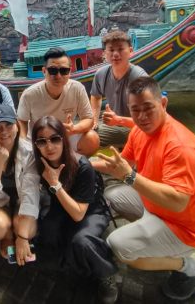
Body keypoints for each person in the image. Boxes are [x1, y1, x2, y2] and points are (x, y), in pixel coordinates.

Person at [96, 77, 195, 301]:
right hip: (158, 208)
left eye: (148, 108)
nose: (141, 116)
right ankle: (153, 238)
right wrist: (81, 163)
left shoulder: (179, 145)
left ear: (163, 103)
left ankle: (188, 268)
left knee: (118, 245)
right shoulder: (139, 131)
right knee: (112, 195)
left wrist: (130, 177)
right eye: (135, 110)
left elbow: (178, 201)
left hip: (188, 228)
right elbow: (121, 163)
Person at [32, 116, 117, 303]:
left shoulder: (83, 166)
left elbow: (78, 214)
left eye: (55, 139)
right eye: (42, 141)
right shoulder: (41, 164)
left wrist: (55, 184)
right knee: (47, 231)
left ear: (63, 139)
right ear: (36, 145)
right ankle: (68, 260)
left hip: (90, 210)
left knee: (81, 241)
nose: (49, 146)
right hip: (61, 206)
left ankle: (106, 273)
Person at [0, 105, 39, 264]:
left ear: (17, 125)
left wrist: (22, 237)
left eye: (8, 124)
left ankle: (18, 234)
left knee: (28, 231)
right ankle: (8, 235)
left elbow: (31, 192)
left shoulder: (29, 151)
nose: (3, 131)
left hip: (21, 202)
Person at [17, 48, 99, 157]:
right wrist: (23, 143)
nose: (58, 76)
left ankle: (72, 163)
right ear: (44, 71)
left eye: (64, 71)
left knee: (92, 139)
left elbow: (88, 119)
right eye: (53, 70)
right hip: (41, 140)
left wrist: (73, 129)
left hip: (65, 135)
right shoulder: (29, 94)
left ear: (69, 72)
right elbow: (21, 121)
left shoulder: (77, 88)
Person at [90, 31, 147, 148]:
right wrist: (94, 119)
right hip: (113, 127)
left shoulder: (140, 78)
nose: (115, 54)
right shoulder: (101, 74)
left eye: (120, 49)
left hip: (137, 127)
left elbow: (151, 118)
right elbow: (95, 96)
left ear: (130, 51)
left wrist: (119, 120)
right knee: (87, 137)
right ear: (104, 54)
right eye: (111, 50)